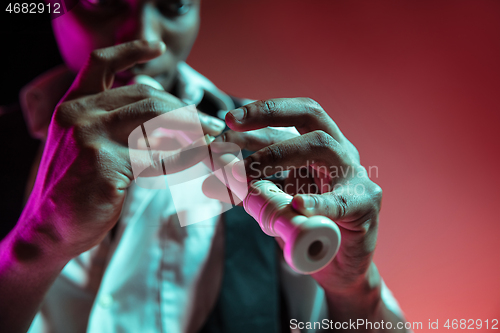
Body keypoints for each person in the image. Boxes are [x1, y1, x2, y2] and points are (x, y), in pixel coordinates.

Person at [0, 0, 410, 332]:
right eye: (103, 1)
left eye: (175, 4)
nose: (144, 37)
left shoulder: (272, 146)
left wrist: (358, 288)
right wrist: (36, 243)